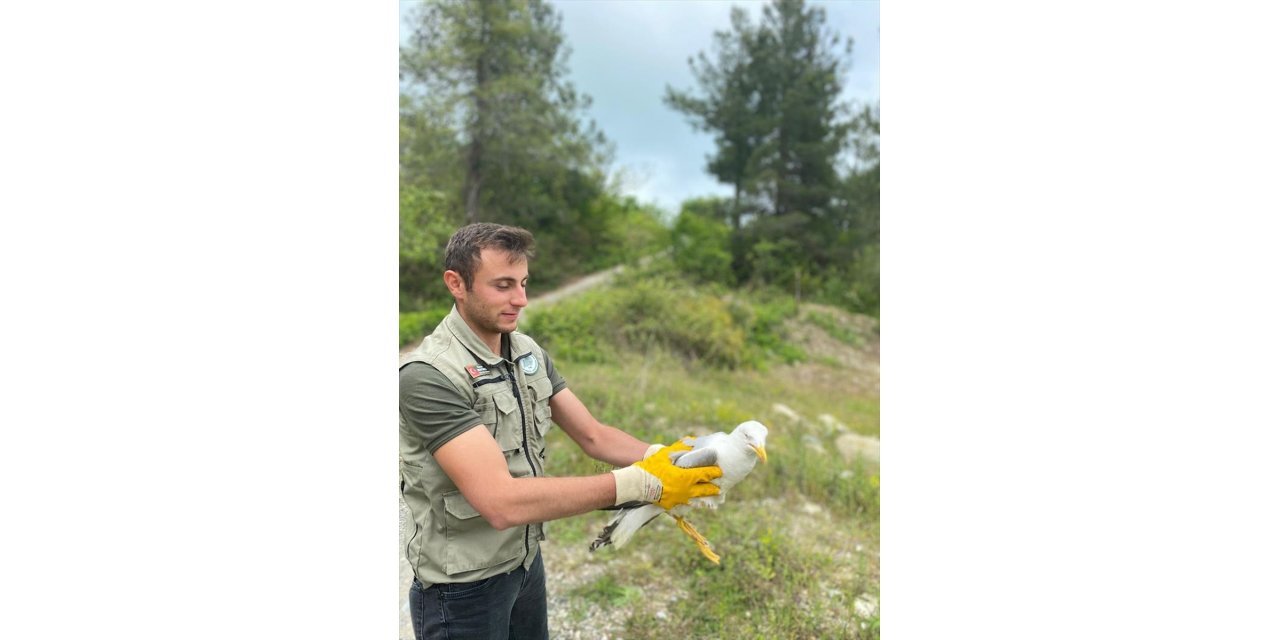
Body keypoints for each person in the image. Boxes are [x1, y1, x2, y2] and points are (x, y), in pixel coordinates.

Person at [399, 222, 723, 640]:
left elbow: (594, 435)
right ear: (456, 284)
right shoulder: (428, 376)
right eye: (503, 285)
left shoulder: (527, 351)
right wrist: (640, 484)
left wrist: (669, 457)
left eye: (524, 283)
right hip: (462, 589)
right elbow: (501, 503)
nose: (521, 299)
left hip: (525, 564)